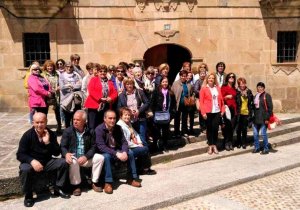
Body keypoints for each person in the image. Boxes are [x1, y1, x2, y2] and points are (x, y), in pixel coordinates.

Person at [16, 112, 70, 207]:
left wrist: (48, 143)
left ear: (46, 122)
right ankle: (28, 195)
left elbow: (57, 152)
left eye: (42, 122)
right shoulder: (27, 135)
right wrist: (32, 161)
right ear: (33, 123)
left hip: (47, 161)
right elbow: (20, 154)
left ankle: (59, 187)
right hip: (31, 163)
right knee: (25, 169)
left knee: (63, 162)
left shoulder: (51, 134)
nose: (40, 125)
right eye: (37, 122)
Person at [95, 110, 141, 194]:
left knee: (130, 153)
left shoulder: (118, 127)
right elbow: (101, 147)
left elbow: (124, 142)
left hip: (117, 150)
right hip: (105, 151)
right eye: (110, 118)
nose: (112, 120)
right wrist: (116, 153)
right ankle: (108, 183)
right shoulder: (99, 129)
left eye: (114, 118)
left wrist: (124, 152)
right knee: (106, 157)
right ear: (104, 119)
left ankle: (131, 178)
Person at [60, 110, 105, 196]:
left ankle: (94, 182)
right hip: (74, 158)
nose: (75, 121)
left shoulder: (91, 131)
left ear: (85, 121)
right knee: (73, 161)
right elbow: (62, 146)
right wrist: (66, 154)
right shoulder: (68, 131)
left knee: (100, 158)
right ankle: (76, 186)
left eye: (78, 120)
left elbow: (94, 147)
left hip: (85, 159)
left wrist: (86, 156)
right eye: (74, 119)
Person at [117, 107, 156, 175]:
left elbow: (136, 134)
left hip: (133, 144)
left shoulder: (128, 124)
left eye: (129, 115)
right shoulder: (120, 126)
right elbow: (125, 142)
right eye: (125, 115)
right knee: (144, 149)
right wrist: (137, 145)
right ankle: (146, 169)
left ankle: (140, 168)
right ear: (121, 116)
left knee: (144, 145)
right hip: (126, 149)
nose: (127, 117)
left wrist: (139, 142)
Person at [118, 78, 150, 147]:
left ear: (133, 84)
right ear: (125, 85)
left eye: (131, 84)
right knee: (133, 138)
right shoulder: (121, 95)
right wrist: (128, 111)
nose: (129, 86)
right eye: (127, 84)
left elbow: (147, 103)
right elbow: (119, 108)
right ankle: (139, 154)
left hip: (140, 118)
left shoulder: (139, 92)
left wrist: (139, 110)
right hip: (129, 121)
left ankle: (145, 153)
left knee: (142, 138)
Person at [84, 63, 118, 129]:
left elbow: (115, 92)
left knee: (103, 125)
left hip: (105, 106)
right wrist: (100, 98)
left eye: (104, 71)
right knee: (92, 125)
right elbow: (91, 90)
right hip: (94, 106)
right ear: (98, 72)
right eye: (101, 71)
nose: (103, 73)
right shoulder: (94, 79)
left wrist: (111, 98)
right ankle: (92, 139)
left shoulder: (109, 82)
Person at [199, 72, 225, 155]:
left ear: (214, 80)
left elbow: (221, 100)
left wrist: (222, 110)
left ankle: (215, 145)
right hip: (208, 112)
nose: (211, 79)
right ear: (207, 79)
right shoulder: (203, 89)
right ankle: (210, 145)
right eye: (209, 78)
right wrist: (203, 113)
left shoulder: (217, 88)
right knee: (209, 129)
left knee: (215, 129)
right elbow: (201, 102)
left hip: (217, 111)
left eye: (213, 78)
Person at [151, 77, 176, 151]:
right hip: (158, 114)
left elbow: (174, 104)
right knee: (156, 131)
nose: (165, 83)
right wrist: (153, 112)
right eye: (163, 82)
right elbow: (152, 102)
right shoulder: (156, 91)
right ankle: (155, 145)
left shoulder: (170, 92)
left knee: (165, 132)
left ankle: (165, 145)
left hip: (166, 114)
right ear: (161, 83)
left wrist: (172, 114)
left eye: (166, 82)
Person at [59, 62, 83, 128]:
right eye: (67, 66)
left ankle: (76, 131)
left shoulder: (76, 75)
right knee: (67, 117)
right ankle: (68, 132)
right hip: (66, 99)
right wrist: (72, 86)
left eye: (71, 67)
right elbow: (62, 87)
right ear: (65, 67)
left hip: (75, 99)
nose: (69, 68)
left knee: (76, 117)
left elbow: (79, 84)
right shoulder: (62, 76)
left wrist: (70, 86)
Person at [171, 70, 193, 138]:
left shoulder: (189, 84)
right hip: (178, 103)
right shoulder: (175, 83)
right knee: (177, 118)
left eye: (185, 76)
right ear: (180, 76)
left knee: (185, 118)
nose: (183, 77)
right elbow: (172, 93)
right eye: (182, 76)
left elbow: (191, 93)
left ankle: (184, 131)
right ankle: (176, 132)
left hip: (186, 104)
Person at [252, 82, 273, 155]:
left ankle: (266, 148)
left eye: (261, 87)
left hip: (264, 118)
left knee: (263, 134)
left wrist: (267, 118)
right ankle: (257, 147)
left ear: (264, 88)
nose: (260, 88)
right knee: (255, 133)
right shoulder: (255, 96)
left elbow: (270, 108)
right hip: (256, 118)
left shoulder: (267, 96)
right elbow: (253, 108)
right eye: (258, 87)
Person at [42, 60, 62, 134]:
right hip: (46, 96)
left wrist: (59, 87)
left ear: (53, 67)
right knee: (45, 112)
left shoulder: (57, 74)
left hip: (56, 96)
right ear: (46, 67)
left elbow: (60, 82)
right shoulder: (43, 75)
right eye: (48, 66)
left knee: (57, 112)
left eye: (51, 66)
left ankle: (59, 127)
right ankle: (44, 128)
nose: (49, 67)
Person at [236, 77, 254, 149]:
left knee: (244, 129)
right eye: (241, 84)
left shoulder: (249, 91)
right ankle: (238, 142)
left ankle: (244, 143)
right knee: (238, 129)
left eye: (243, 83)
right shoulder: (237, 92)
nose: (242, 85)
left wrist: (247, 96)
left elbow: (252, 100)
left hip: (246, 113)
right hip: (239, 113)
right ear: (239, 85)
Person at [221, 73, 238, 151]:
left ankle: (230, 142)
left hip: (234, 109)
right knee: (227, 127)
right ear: (227, 78)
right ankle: (226, 143)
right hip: (227, 109)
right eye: (230, 77)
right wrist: (226, 97)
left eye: (233, 77)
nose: (231, 78)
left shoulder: (234, 88)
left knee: (232, 126)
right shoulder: (224, 87)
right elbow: (220, 99)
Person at [194, 66, 208, 133]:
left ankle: (206, 126)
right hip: (200, 99)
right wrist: (203, 93)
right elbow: (196, 90)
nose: (203, 74)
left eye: (204, 73)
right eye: (201, 73)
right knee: (201, 114)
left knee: (206, 113)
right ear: (199, 74)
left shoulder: (207, 81)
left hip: (207, 100)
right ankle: (202, 127)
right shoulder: (198, 81)